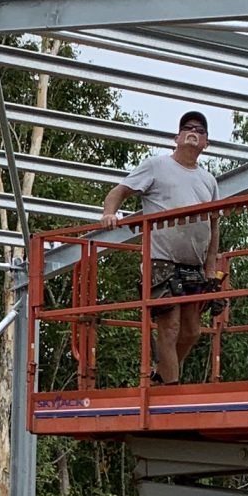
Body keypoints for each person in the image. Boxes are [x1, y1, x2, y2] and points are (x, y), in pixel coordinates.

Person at [96, 111, 223, 385]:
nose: (193, 131)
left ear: (206, 143)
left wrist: (211, 268)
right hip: (161, 260)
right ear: (176, 138)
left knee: (192, 331)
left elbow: (213, 227)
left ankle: (160, 376)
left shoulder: (209, 180)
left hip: (193, 264)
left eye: (200, 130)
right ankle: (171, 392)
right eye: (187, 128)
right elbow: (119, 191)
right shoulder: (156, 166)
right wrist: (109, 213)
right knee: (170, 326)